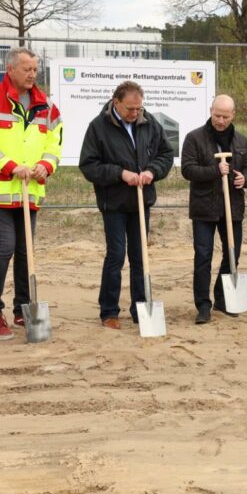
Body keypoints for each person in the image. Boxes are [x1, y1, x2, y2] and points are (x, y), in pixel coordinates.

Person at [0, 47, 62, 340]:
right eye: (26, 69)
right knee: (5, 247)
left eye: (35, 69)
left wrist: (46, 165)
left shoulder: (46, 104)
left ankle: (23, 309)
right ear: (10, 69)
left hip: (29, 191)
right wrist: (10, 167)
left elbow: (55, 141)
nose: (32, 74)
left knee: (26, 251)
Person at [79, 80, 174, 329]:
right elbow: (89, 165)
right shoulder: (98, 127)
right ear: (116, 103)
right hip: (114, 202)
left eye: (138, 108)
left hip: (142, 200)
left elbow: (166, 154)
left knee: (140, 255)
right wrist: (120, 174)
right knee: (116, 254)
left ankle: (141, 307)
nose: (135, 113)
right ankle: (109, 311)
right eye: (130, 109)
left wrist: (152, 171)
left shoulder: (149, 122)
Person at [180, 94, 247, 324]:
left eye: (225, 116)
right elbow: (188, 170)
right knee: (203, 256)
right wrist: (214, 170)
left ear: (233, 115)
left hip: (233, 207)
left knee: (233, 254)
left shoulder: (240, 141)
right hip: (204, 207)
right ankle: (203, 304)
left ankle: (223, 298)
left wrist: (245, 178)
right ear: (210, 110)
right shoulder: (194, 138)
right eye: (216, 115)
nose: (220, 120)